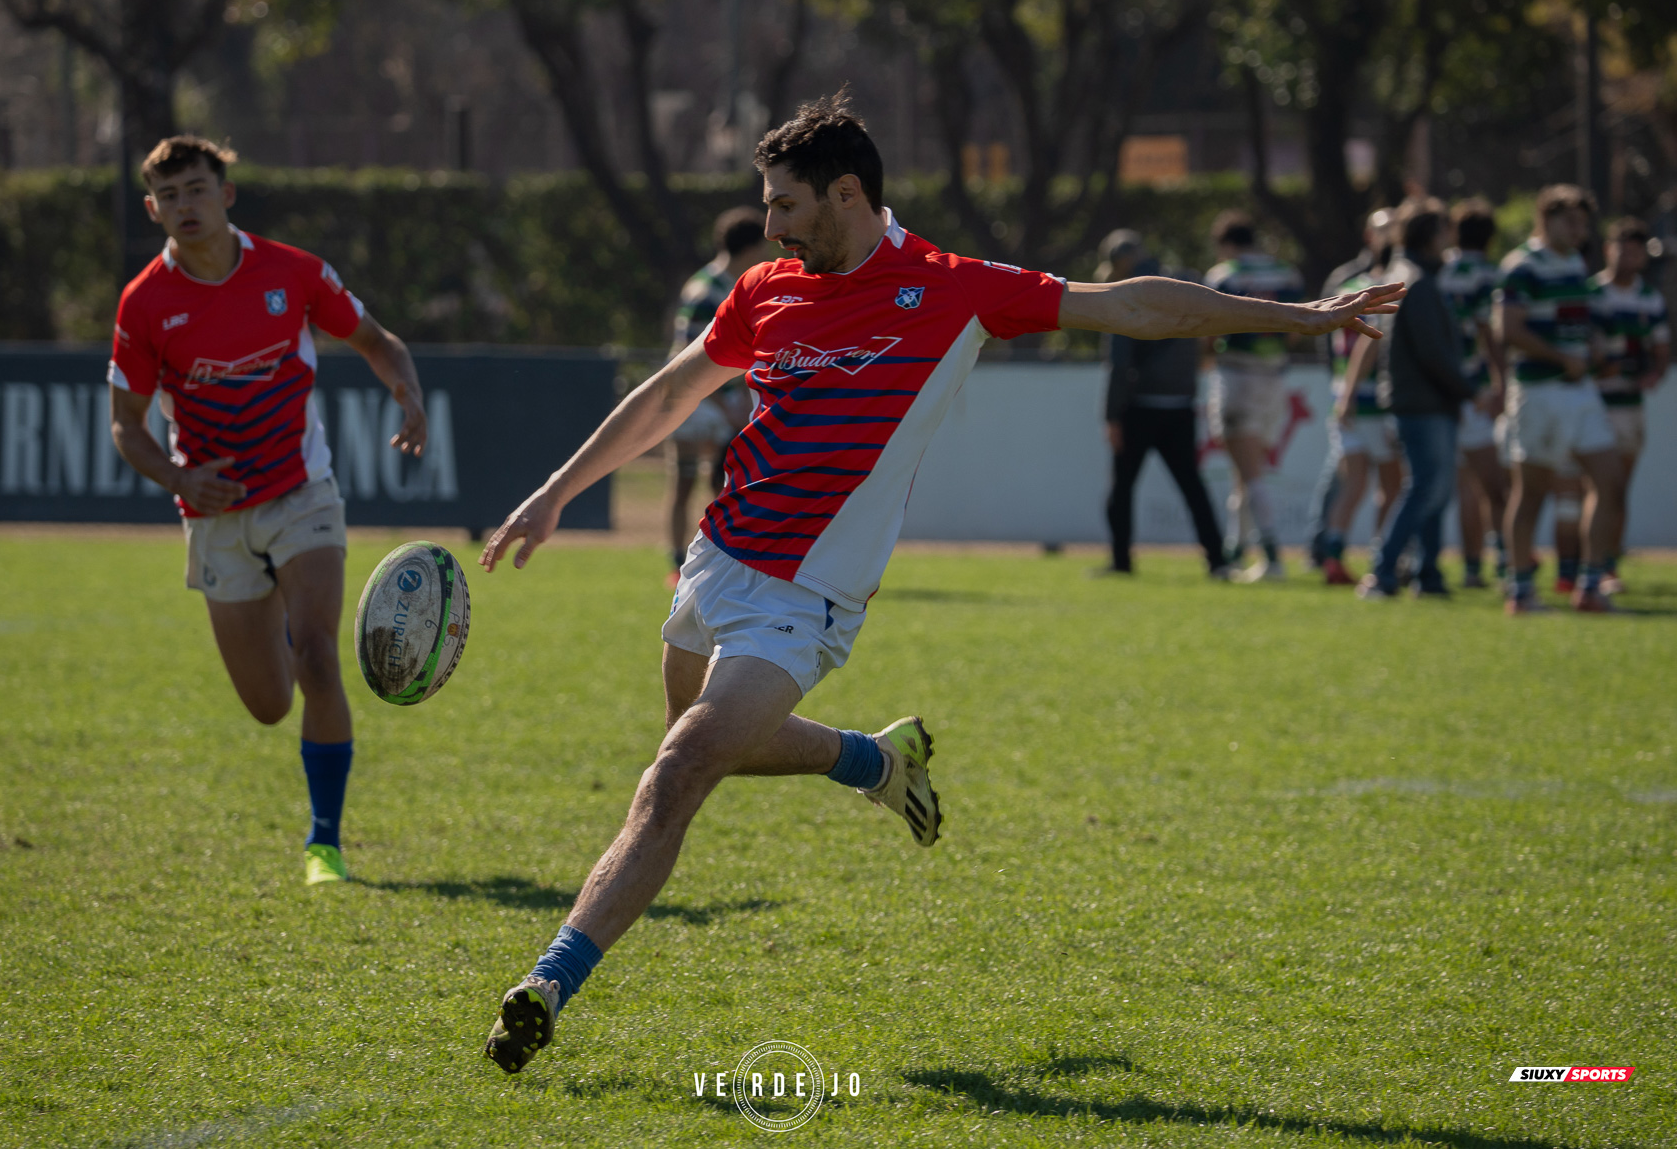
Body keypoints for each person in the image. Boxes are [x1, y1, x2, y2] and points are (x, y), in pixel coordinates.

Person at [473, 91, 1402, 1075]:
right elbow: (670, 391)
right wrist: (556, 490)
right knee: (699, 747)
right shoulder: (765, 290)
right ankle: (875, 761)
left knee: (678, 772)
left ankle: (546, 984)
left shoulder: (953, 288)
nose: (772, 227)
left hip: (805, 599)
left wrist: (1300, 317)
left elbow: (1132, 305)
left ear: (847, 194)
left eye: (787, 205)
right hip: (716, 559)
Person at [107, 136, 428, 886]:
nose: (185, 206)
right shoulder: (144, 302)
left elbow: (377, 341)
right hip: (216, 513)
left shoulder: (293, 271)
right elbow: (126, 426)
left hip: (300, 490)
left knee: (317, 655)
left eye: (197, 189)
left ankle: (325, 843)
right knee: (268, 705)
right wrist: (179, 479)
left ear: (226, 194)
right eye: (169, 196)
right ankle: (282, 617)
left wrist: (408, 393)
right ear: (152, 210)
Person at [1494, 184, 1626, 614]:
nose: (1579, 231)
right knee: (1532, 492)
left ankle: (1590, 586)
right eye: (1570, 222)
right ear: (1545, 219)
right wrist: (1560, 357)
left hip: (1580, 390)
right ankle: (1520, 590)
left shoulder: (1574, 262)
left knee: (1610, 482)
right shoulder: (1522, 265)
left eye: (1583, 224)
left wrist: (1593, 345)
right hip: (1538, 391)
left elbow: (1574, 320)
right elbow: (1507, 329)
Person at [1354, 198, 1472, 598]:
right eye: (1445, 229)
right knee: (1426, 489)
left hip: (1422, 401)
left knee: (1433, 490)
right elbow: (1432, 353)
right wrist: (1468, 390)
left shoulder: (1408, 274)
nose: (1450, 238)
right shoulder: (1417, 280)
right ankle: (1383, 571)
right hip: (1423, 402)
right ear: (1433, 234)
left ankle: (1428, 574)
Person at [1096, 230, 1228, 577]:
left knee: (1122, 489)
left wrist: (1112, 416)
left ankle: (1121, 562)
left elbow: (1119, 363)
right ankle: (1217, 560)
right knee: (1193, 488)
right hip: (1181, 405)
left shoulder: (1127, 292)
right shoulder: (1184, 282)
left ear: (1119, 262)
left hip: (1140, 407)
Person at [663, 209, 768, 584]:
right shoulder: (707, 290)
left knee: (722, 484)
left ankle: (716, 557)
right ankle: (677, 563)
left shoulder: (731, 285)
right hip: (694, 401)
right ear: (751, 247)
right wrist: (727, 405)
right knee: (685, 480)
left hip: (722, 400)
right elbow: (692, 358)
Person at [1203, 211, 1308, 582]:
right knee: (1246, 473)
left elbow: (1208, 330)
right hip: (1275, 380)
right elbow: (1295, 330)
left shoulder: (1224, 275)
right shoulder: (1287, 273)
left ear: (1226, 243)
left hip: (1236, 377)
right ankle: (1235, 550)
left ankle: (1271, 555)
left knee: (1250, 473)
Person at [1319, 209, 1402, 586]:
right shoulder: (1389, 288)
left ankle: (1334, 556)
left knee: (1355, 483)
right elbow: (1371, 346)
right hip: (1374, 401)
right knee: (1389, 484)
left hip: (1346, 398)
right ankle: (1382, 560)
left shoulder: (1348, 283)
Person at [1589, 216, 1671, 592]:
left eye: (1636, 252)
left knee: (1616, 488)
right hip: (1591, 403)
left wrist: (1651, 374)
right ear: (1609, 250)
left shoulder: (1649, 299)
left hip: (1628, 406)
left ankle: (1607, 565)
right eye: (1623, 250)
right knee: (1590, 488)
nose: (1629, 258)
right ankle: (1580, 565)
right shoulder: (1591, 293)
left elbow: (1660, 352)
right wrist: (1598, 364)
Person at [1440, 198, 1510, 589]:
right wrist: (1503, 384)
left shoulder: (1439, 270)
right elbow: (1491, 334)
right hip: (1476, 392)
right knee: (1494, 487)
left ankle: (1470, 568)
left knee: (1464, 487)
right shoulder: (1489, 274)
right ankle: (1502, 560)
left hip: (1442, 391)